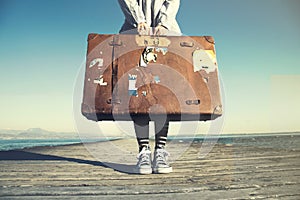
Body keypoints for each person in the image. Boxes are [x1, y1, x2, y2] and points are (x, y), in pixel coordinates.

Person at [118, 0, 181, 174]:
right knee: (137, 95)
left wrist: (164, 23)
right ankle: (144, 151)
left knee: (164, 94)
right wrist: (139, 21)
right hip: (134, 31)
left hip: (166, 34)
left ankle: (160, 151)